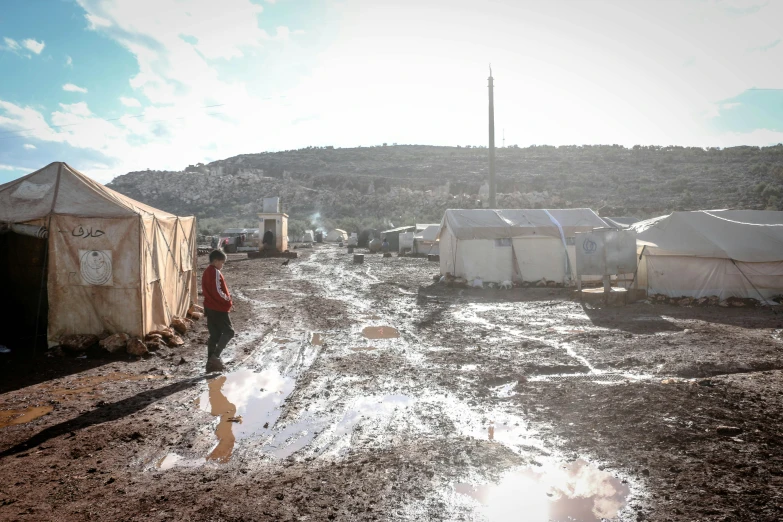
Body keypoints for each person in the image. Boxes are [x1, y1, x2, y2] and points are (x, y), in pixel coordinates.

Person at [202, 249, 235, 372]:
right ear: (216, 261)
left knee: (215, 335)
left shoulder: (207, 272)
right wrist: (228, 300)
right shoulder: (215, 272)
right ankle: (215, 357)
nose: (222, 265)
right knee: (229, 332)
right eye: (222, 262)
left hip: (210, 306)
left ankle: (210, 364)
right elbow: (217, 291)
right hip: (218, 307)